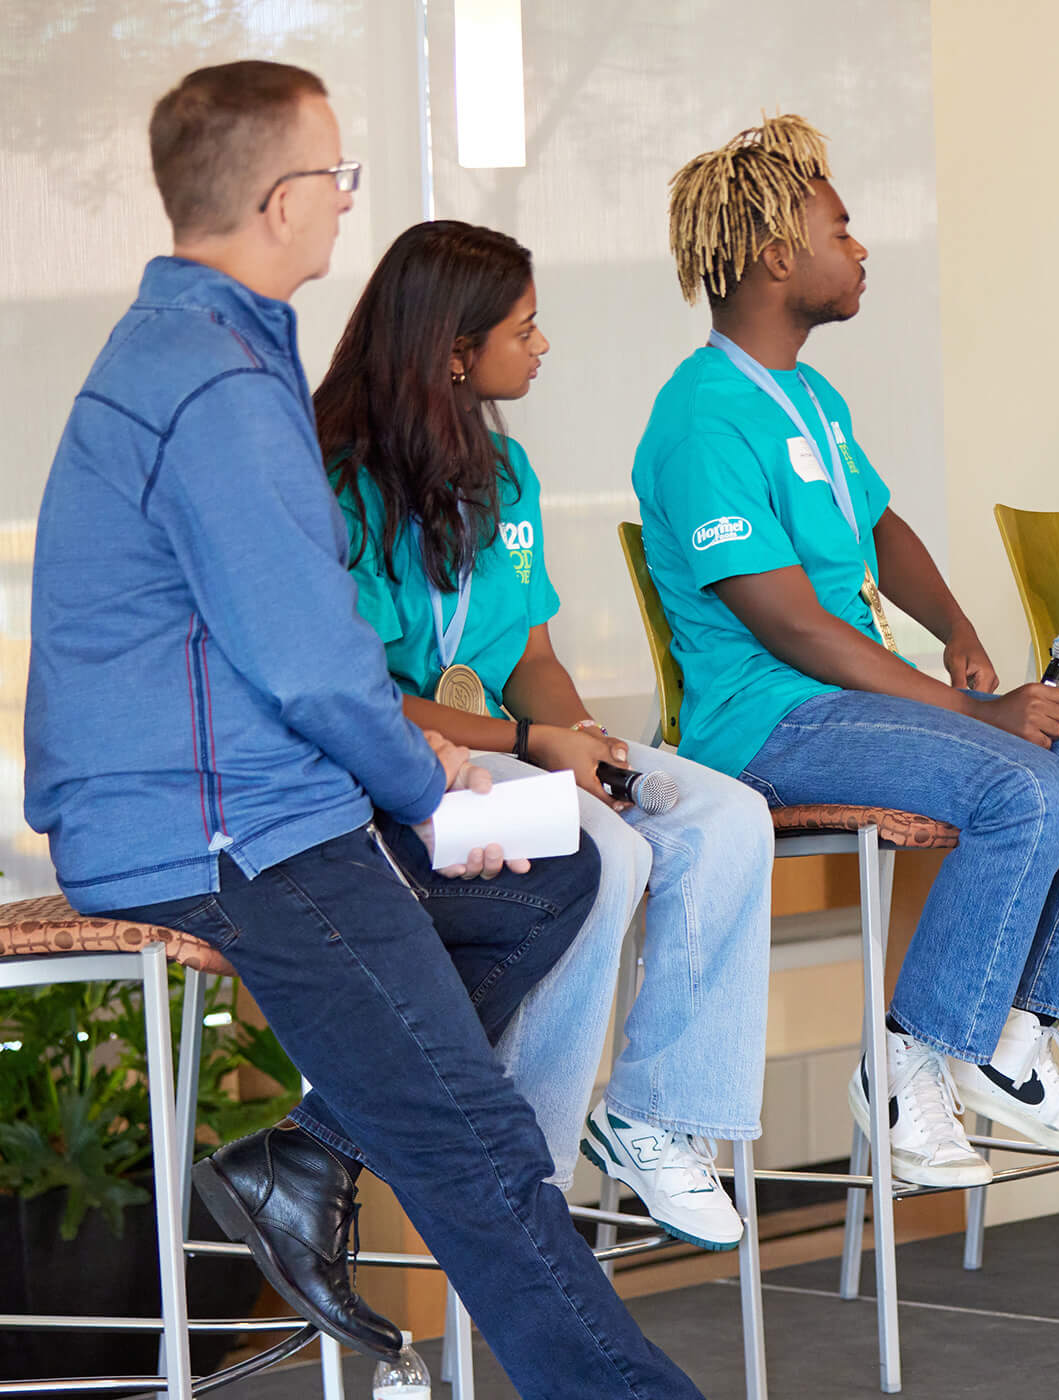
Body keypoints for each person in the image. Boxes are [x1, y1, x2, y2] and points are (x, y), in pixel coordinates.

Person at [22, 62, 703, 1397]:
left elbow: (277, 652)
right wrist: (430, 788)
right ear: (280, 203)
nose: (347, 203)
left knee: (555, 867)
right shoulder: (213, 385)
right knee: (475, 1144)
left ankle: (310, 1156)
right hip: (223, 834)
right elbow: (308, 661)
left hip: (236, 801)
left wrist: (425, 768)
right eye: (336, 178)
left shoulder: (206, 349)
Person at [631, 115, 1059, 1187]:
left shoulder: (812, 395)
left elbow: (879, 526)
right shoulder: (702, 417)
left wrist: (960, 629)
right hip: (768, 719)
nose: (863, 248)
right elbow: (790, 623)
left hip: (859, 705)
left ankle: (1017, 1048)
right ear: (774, 256)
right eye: (841, 229)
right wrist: (974, 714)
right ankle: (907, 1058)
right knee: (1025, 785)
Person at [317, 219, 776, 1248]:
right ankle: (528, 1169)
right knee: (602, 851)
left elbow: (529, 646)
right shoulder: (342, 485)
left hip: (513, 735)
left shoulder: (503, 471)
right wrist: (533, 742)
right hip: (410, 765)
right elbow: (360, 699)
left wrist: (578, 737)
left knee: (728, 814)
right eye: (524, 327)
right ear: (451, 349)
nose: (543, 344)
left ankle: (654, 1114)